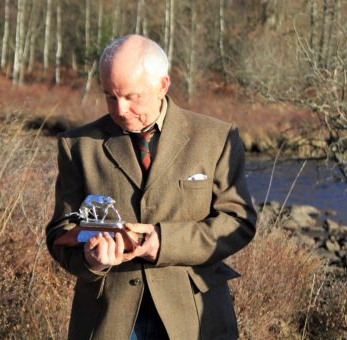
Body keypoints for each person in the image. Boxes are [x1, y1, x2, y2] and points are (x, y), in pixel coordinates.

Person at [46, 34, 257, 340]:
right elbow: (60, 233)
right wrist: (91, 261)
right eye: (109, 95)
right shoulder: (77, 146)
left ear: (162, 85)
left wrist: (164, 242)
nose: (120, 109)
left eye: (132, 96)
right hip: (107, 320)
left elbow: (239, 223)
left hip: (194, 317)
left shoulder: (217, 138)